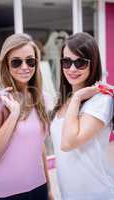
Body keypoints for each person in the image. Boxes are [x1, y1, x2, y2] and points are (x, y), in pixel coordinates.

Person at [0, 33, 53, 200]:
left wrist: (48, 189)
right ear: (6, 64)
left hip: (39, 189)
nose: (24, 66)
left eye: (30, 61)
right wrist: (14, 114)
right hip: (7, 194)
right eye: (16, 62)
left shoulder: (40, 97)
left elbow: (39, 146)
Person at [50, 32, 114, 200]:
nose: (72, 69)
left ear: (93, 64)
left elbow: (68, 143)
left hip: (95, 193)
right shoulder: (64, 100)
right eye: (66, 62)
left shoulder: (102, 100)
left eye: (80, 63)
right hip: (68, 193)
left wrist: (78, 97)